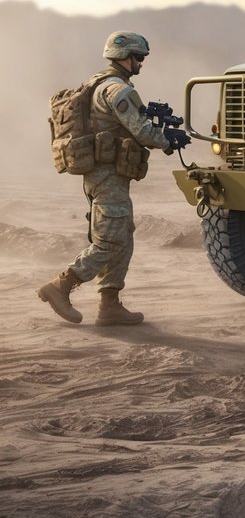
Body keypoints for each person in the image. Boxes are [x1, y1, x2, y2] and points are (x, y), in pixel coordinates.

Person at [36, 32, 190, 326]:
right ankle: (60, 286)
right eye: (139, 57)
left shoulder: (98, 82)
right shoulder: (117, 91)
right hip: (106, 174)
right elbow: (142, 131)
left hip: (106, 173)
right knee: (109, 240)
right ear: (125, 57)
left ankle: (110, 305)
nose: (142, 64)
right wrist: (168, 141)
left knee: (123, 236)